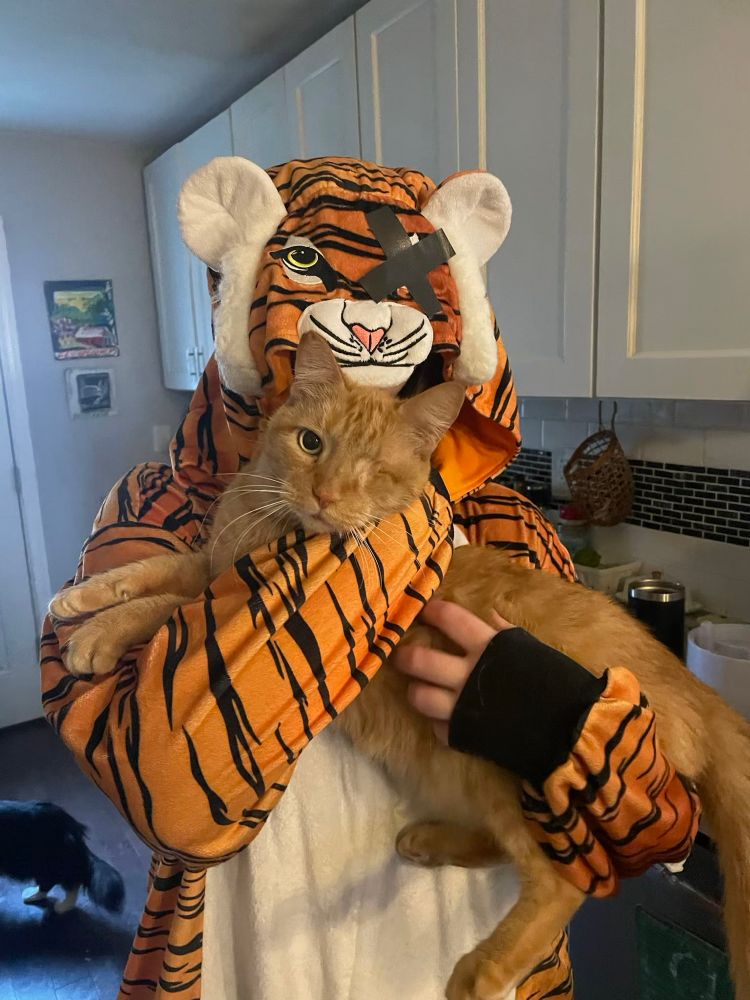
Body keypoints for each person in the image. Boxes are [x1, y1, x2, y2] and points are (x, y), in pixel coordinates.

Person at [41, 156, 698, 999]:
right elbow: (170, 795)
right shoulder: (155, 505)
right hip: (258, 967)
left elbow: (659, 832)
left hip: (470, 956)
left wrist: (569, 727)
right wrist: (398, 530)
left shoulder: (510, 528)